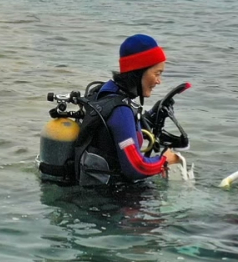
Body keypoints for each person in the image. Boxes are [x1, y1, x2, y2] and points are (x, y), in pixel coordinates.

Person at [77, 34, 181, 186]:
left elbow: (120, 130)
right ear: (139, 72)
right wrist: (165, 160)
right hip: (111, 196)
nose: (159, 81)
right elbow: (135, 168)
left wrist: (153, 114)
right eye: (157, 73)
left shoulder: (106, 90)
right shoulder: (121, 110)